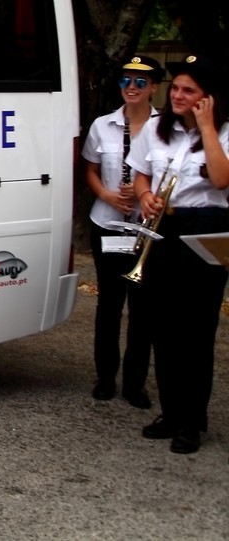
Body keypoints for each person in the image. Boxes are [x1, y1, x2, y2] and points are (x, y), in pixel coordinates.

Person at [127, 54, 229, 455]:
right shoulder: (156, 130)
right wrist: (145, 196)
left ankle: (192, 421)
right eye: (177, 89)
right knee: (163, 328)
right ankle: (170, 413)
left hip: (207, 228)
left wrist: (206, 127)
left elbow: (220, 179)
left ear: (209, 97)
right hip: (164, 229)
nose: (179, 96)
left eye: (190, 90)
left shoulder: (224, 132)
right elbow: (141, 173)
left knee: (197, 332)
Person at [81, 55, 163, 407]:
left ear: (154, 87)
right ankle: (105, 378)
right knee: (109, 306)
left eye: (140, 82)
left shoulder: (166, 129)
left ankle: (135, 384)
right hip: (108, 223)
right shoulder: (103, 125)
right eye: (125, 81)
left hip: (145, 229)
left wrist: (145, 192)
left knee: (143, 310)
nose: (131, 87)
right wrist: (107, 195)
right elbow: (90, 170)